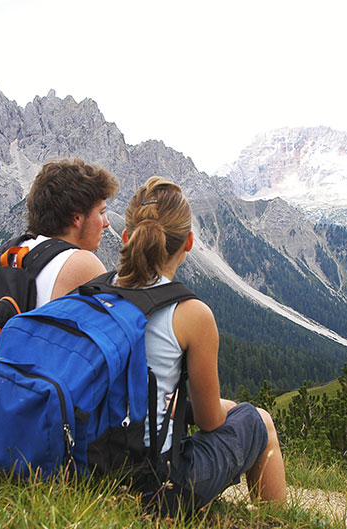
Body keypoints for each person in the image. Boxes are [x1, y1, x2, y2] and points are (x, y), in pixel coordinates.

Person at [115, 176, 287, 509]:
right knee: (258, 420)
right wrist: (227, 407)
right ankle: (276, 517)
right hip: (153, 487)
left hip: (91, 465)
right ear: (189, 242)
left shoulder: (95, 291)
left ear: (126, 237)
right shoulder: (192, 313)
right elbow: (211, 421)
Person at [0, 157, 119, 307]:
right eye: (101, 212)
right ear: (76, 217)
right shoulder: (82, 263)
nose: (106, 223)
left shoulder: (5, 254)